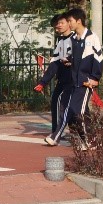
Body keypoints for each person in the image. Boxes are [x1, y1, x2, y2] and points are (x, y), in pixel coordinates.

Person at [46, 7, 103, 150]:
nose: (68, 23)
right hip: (74, 81)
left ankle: (89, 141)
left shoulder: (91, 37)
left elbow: (98, 59)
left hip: (86, 82)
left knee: (78, 111)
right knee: (67, 108)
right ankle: (58, 136)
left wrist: (95, 77)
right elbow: (77, 58)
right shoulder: (74, 39)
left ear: (78, 21)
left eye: (70, 21)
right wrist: (69, 61)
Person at [36, 13, 73, 145]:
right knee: (58, 102)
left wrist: (71, 61)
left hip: (74, 78)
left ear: (69, 22)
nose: (59, 26)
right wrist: (43, 82)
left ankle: (60, 133)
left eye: (61, 23)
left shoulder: (76, 38)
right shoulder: (60, 41)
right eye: (56, 25)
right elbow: (55, 63)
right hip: (63, 79)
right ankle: (57, 132)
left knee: (71, 105)